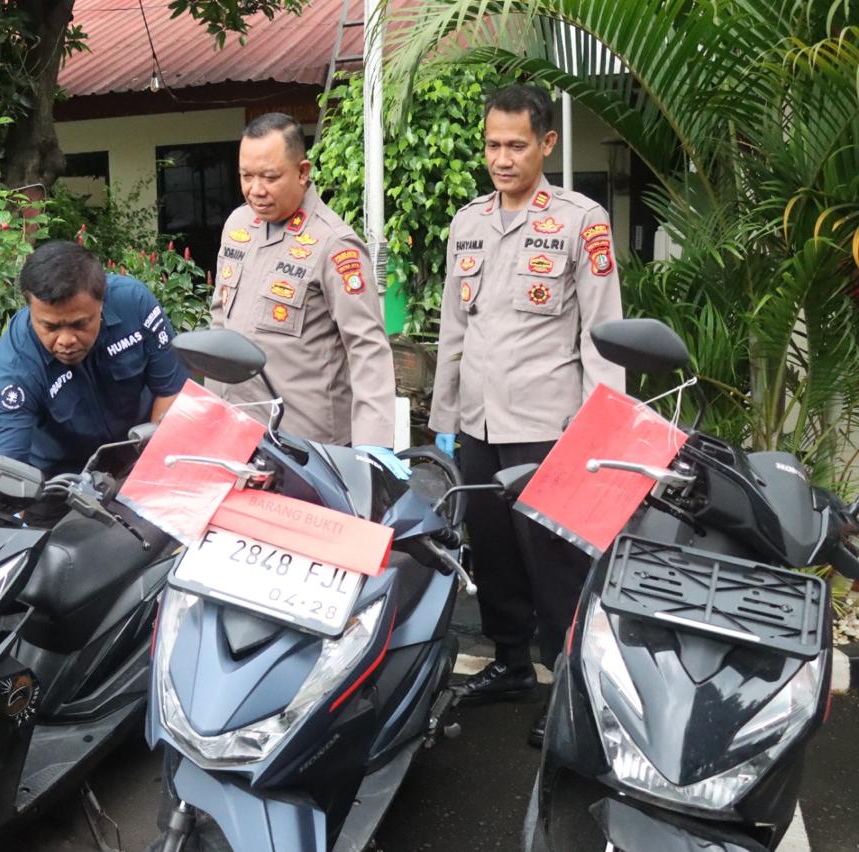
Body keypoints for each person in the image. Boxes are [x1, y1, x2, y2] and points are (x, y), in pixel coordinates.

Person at [428, 84, 625, 746]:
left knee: (556, 566)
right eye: (492, 145)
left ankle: (571, 685)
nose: (502, 159)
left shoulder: (580, 221)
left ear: (547, 143)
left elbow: (603, 333)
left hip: (549, 427)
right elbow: (454, 328)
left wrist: (600, 433)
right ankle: (511, 663)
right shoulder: (468, 223)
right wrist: (444, 419)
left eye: (516, 145)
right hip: (480, 426)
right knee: (494, 554)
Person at [210, 112, 395, 448]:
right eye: (246, 176)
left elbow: (367, 348)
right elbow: (221, 320)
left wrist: (373, 444)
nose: (255, 190)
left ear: (302, 172)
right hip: (240, 431)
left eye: (269, 177)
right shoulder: (238, 225)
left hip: (308, 444)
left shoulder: (334, 243)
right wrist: (212, 411)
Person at [0, 239, 189, 486]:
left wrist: (149, 474)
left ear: (102, 302)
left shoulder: (134, 304)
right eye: (50, 327)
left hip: (138, 462)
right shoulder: (16, 364)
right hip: (59, 482)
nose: (66, 340)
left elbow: (171, 391)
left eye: (79, 324)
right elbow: (5, 469)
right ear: (30, 309)